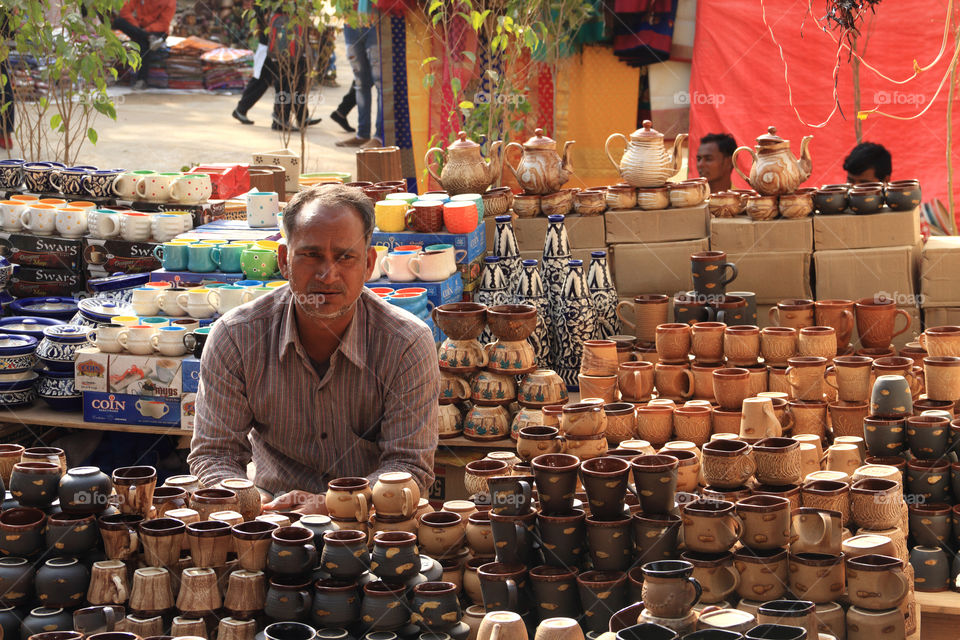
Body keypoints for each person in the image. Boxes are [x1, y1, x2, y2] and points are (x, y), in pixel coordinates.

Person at [187, 184, 440, 514]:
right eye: (311, 255)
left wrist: (333, 506)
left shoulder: (406, 344)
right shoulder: (236, 337)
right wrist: (249, 503)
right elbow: (214, 455)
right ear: (284, 260)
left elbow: (408, 468)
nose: (327, 273)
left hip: (371, 523)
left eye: (345, 257)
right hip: (268, 516)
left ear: (368, 264)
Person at [336, 14, 384, 148]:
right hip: (350, 21)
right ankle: (362, 134)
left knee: (380, 82)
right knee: (360, 83)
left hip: (374, 19)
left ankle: (380, 136)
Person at [113, 0, 176, 91]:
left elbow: (163, 23)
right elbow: (125, 11)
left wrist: (144, 30)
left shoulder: (170, 1)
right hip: (140, 28)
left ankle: (142, 79)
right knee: (118, 21)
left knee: (143, 44)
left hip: (158, 30)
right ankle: (148, 38)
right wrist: (137, 26)